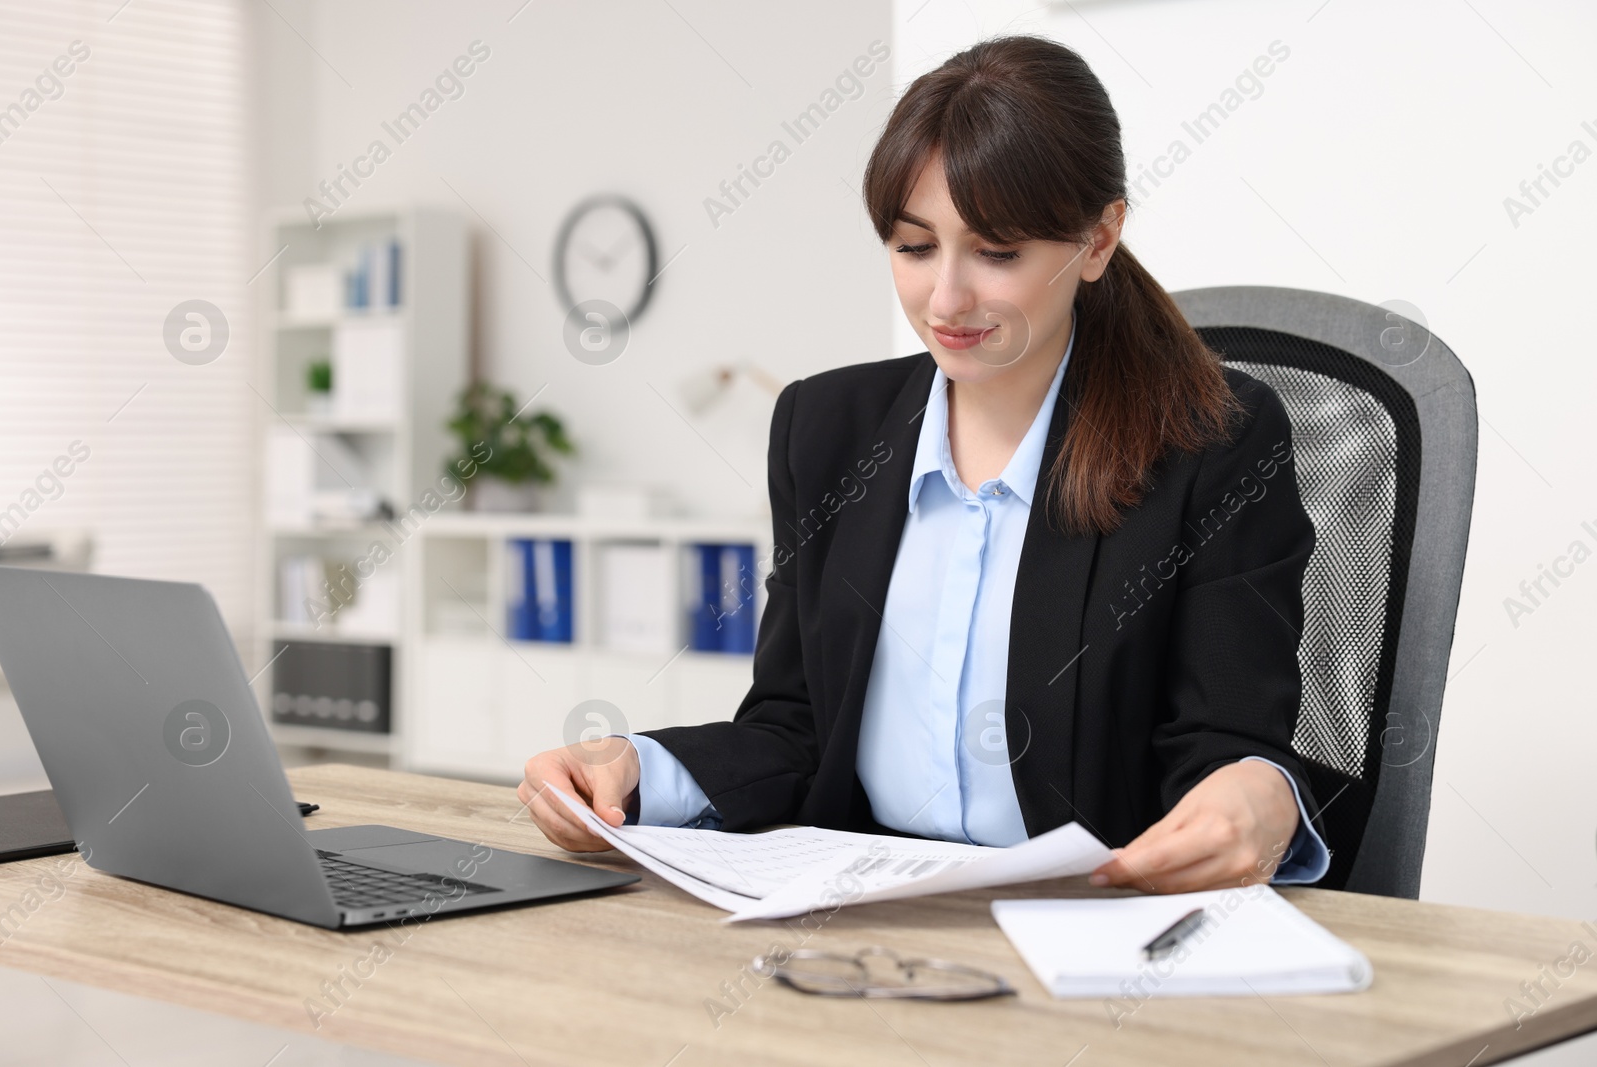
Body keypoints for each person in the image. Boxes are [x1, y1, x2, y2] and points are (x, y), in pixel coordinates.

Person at [519, 34, 1328, 893]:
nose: (945, 301)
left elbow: (1224, 746)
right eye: (913, 248)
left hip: (1093, 927)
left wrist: (1260, 793)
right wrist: (636, 770)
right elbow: (799, 727)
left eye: (998, 252)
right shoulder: (825, 431)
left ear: (1098, 241)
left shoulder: (1212, 444)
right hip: (866, 919)